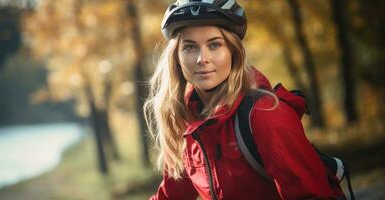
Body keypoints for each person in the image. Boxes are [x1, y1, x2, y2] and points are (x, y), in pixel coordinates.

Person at [144, 0, 346, 199]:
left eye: (214, 45)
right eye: (189, 47)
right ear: (176, 57)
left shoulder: (265, 114)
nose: (201, 59)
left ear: (233, 52)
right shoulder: (188, 124)